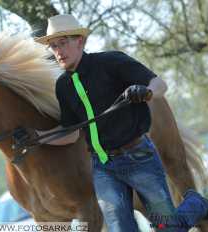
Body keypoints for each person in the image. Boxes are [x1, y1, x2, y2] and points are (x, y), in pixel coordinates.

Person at [34, 14, 208, 231]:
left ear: (80, 41)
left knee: (168, 228)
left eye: (63, 43)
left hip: (139, 158)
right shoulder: (63, 86)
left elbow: (160, 84)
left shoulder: (111, 61)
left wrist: (146, 92)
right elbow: (71, 133)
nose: (58, 51)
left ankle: (196, 203)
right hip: (103, 168)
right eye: (53, 46)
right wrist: (37, 138)